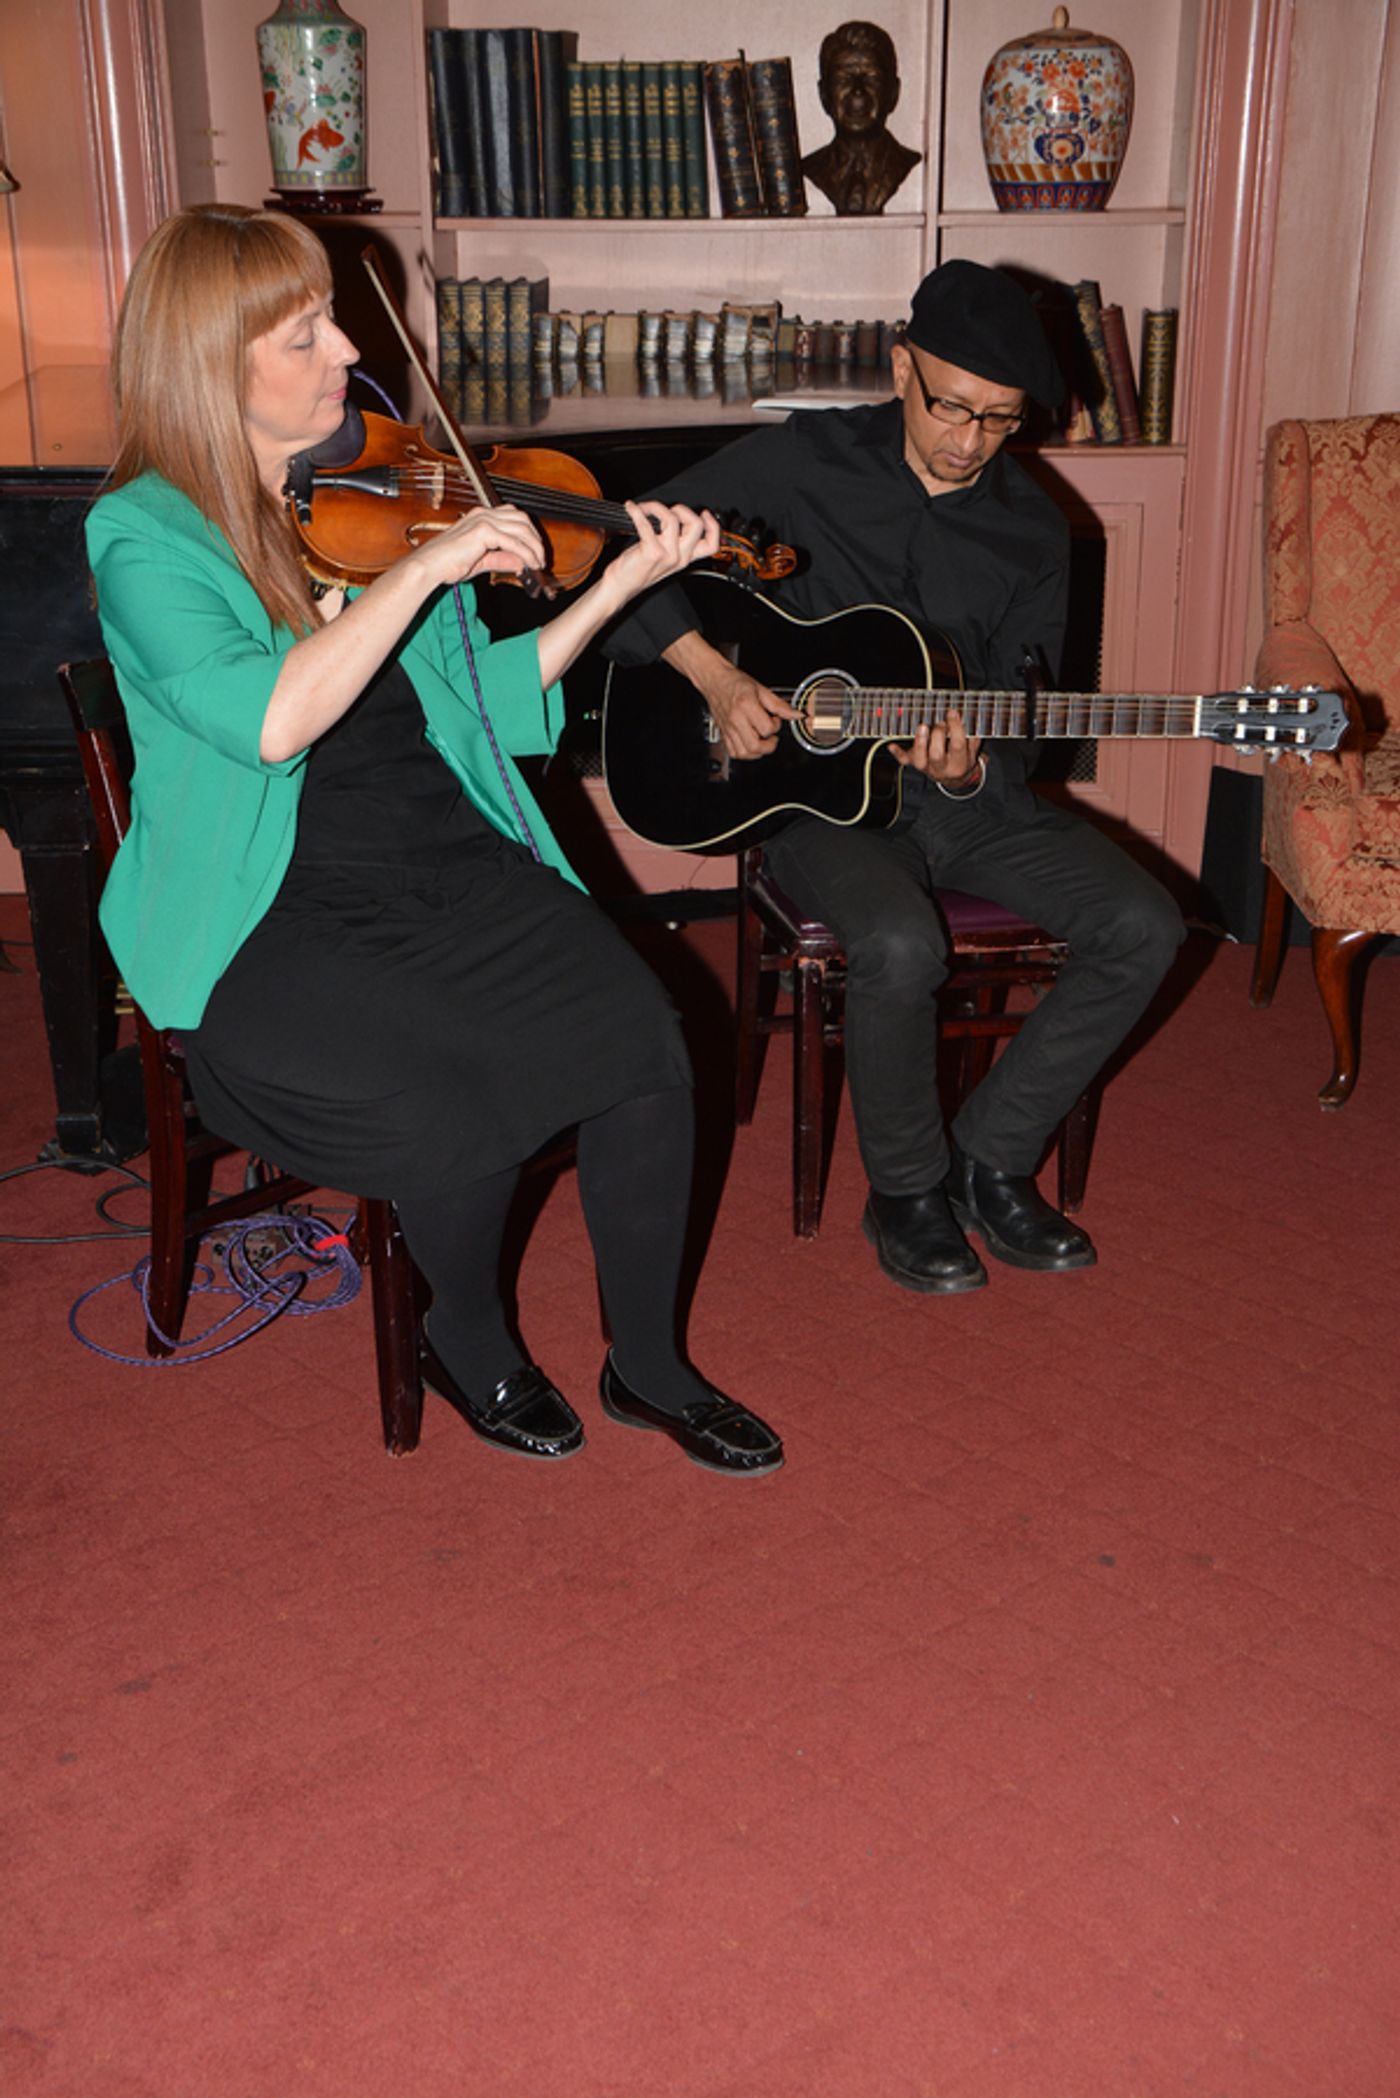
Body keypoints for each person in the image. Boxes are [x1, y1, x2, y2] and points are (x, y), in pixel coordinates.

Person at [85, 203, 783, 1474]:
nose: (349, 348)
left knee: (643, 1043)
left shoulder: (360, 497)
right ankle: (465, 1339)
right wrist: (425, 570)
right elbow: (271, 721)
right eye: (304, 334)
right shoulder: (142, 537)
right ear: (210, 364)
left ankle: (649, 1365)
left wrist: (615, 587)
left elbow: (487, 707)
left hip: (441, 858)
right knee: (444, 1103)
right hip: (269, 914)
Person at [603, 259, 1185, 1295]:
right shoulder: (798, 463)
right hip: (809, 794)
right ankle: (905, 1190)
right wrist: (712, 671)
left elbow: (1022, 711)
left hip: (963, 802)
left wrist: (973, 764)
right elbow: (632, 542)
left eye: (998, 421)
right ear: (899, 364)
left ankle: (992, 1158)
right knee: (898, 940)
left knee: (1145, 924)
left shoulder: (1034, 529)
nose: (967, 441)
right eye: (948, 405)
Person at [800, 20, 922, 217]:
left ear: (893, 94)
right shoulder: (813, 168)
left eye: (871, 78)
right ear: (824, 95)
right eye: (843, 79)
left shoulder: (906, 163)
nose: (858, 91)